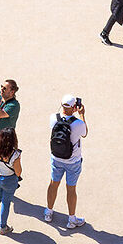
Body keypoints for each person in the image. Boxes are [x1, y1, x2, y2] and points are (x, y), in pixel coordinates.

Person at [42, 97, 87, 231]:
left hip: (56, 158)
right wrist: (82, 114)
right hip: (73, 161)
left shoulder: (53, 118)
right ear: (74, 107)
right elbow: (85, 134)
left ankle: (48, 212)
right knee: (71, 189)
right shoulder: (78, 123)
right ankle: (72, 220)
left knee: (53, 184)